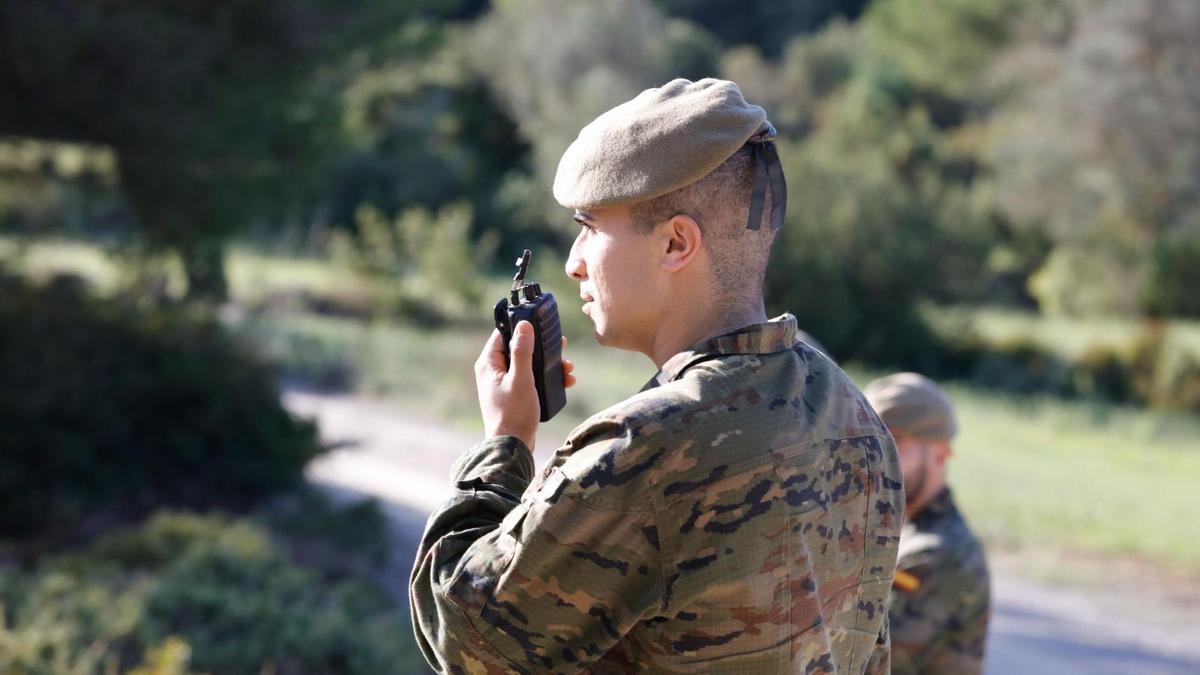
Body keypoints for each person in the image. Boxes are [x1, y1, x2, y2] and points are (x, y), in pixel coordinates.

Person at [410, 78, 904, 674]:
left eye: (589, 226)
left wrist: (505, 444)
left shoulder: (645, 450)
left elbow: (466, 642)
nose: (573, 263)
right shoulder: (855, 415)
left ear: (675, 243)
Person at [863, 373, 990, 675]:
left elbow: (866, 658)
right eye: (870, 441)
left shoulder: (938, 553)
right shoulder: (901, 531)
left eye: (895, 442)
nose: (878, 458)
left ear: (941, 453)